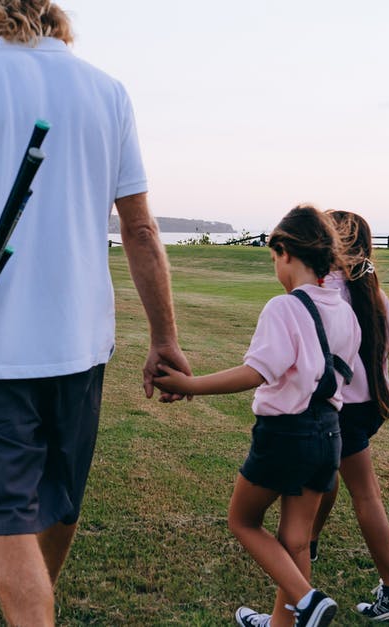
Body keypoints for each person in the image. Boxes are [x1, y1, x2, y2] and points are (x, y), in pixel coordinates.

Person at [0, 2, 190, 625]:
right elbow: (139, 229)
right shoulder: (107, 91)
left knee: (13, 510)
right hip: (83, 341)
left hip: (1, 343)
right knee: (60, 501)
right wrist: (165, 336)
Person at [153, 206, 360, 627]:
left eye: (273, 260)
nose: (275, 270)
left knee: (243, 520)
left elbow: (255, 373)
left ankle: (307, 598)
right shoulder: (345, 312)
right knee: (296, 539)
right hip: (329, 435)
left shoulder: (284, 309)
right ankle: (287, 622)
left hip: (285, 435)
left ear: (285, 251)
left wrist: (189, 385)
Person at [291, 210, 389, 621]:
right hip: (369, 405)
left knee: (362, 492)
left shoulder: (319, 290)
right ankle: (311, 541)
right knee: (331, 472)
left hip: (338, 406)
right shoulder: (370, 290)